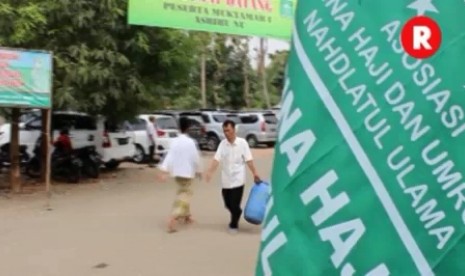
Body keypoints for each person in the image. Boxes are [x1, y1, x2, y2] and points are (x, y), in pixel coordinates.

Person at [205, 119, 260, 234]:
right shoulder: (222, 144)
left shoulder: (242, 143)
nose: (226, 133)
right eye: (224, 131)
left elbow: (249, 160)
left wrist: (255, 173)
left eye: (228, 130)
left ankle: (233, 224)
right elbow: (216, 159)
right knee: (227, 204)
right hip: (226, 180)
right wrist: (210, 171)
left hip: (238, 179)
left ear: (234, 130)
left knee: (234, 203)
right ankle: (237, 212)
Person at [158, 117, 202, 233]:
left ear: (178, 127)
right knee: (185, 194)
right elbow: (195, 158)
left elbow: (169, 157)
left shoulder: (174, 141)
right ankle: (173, 217)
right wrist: (198, 170)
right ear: (188, 128)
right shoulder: (191, 142)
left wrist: (164, 171)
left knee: (182, 191)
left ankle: (187, 216)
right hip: (187, 173)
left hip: (177, 173)